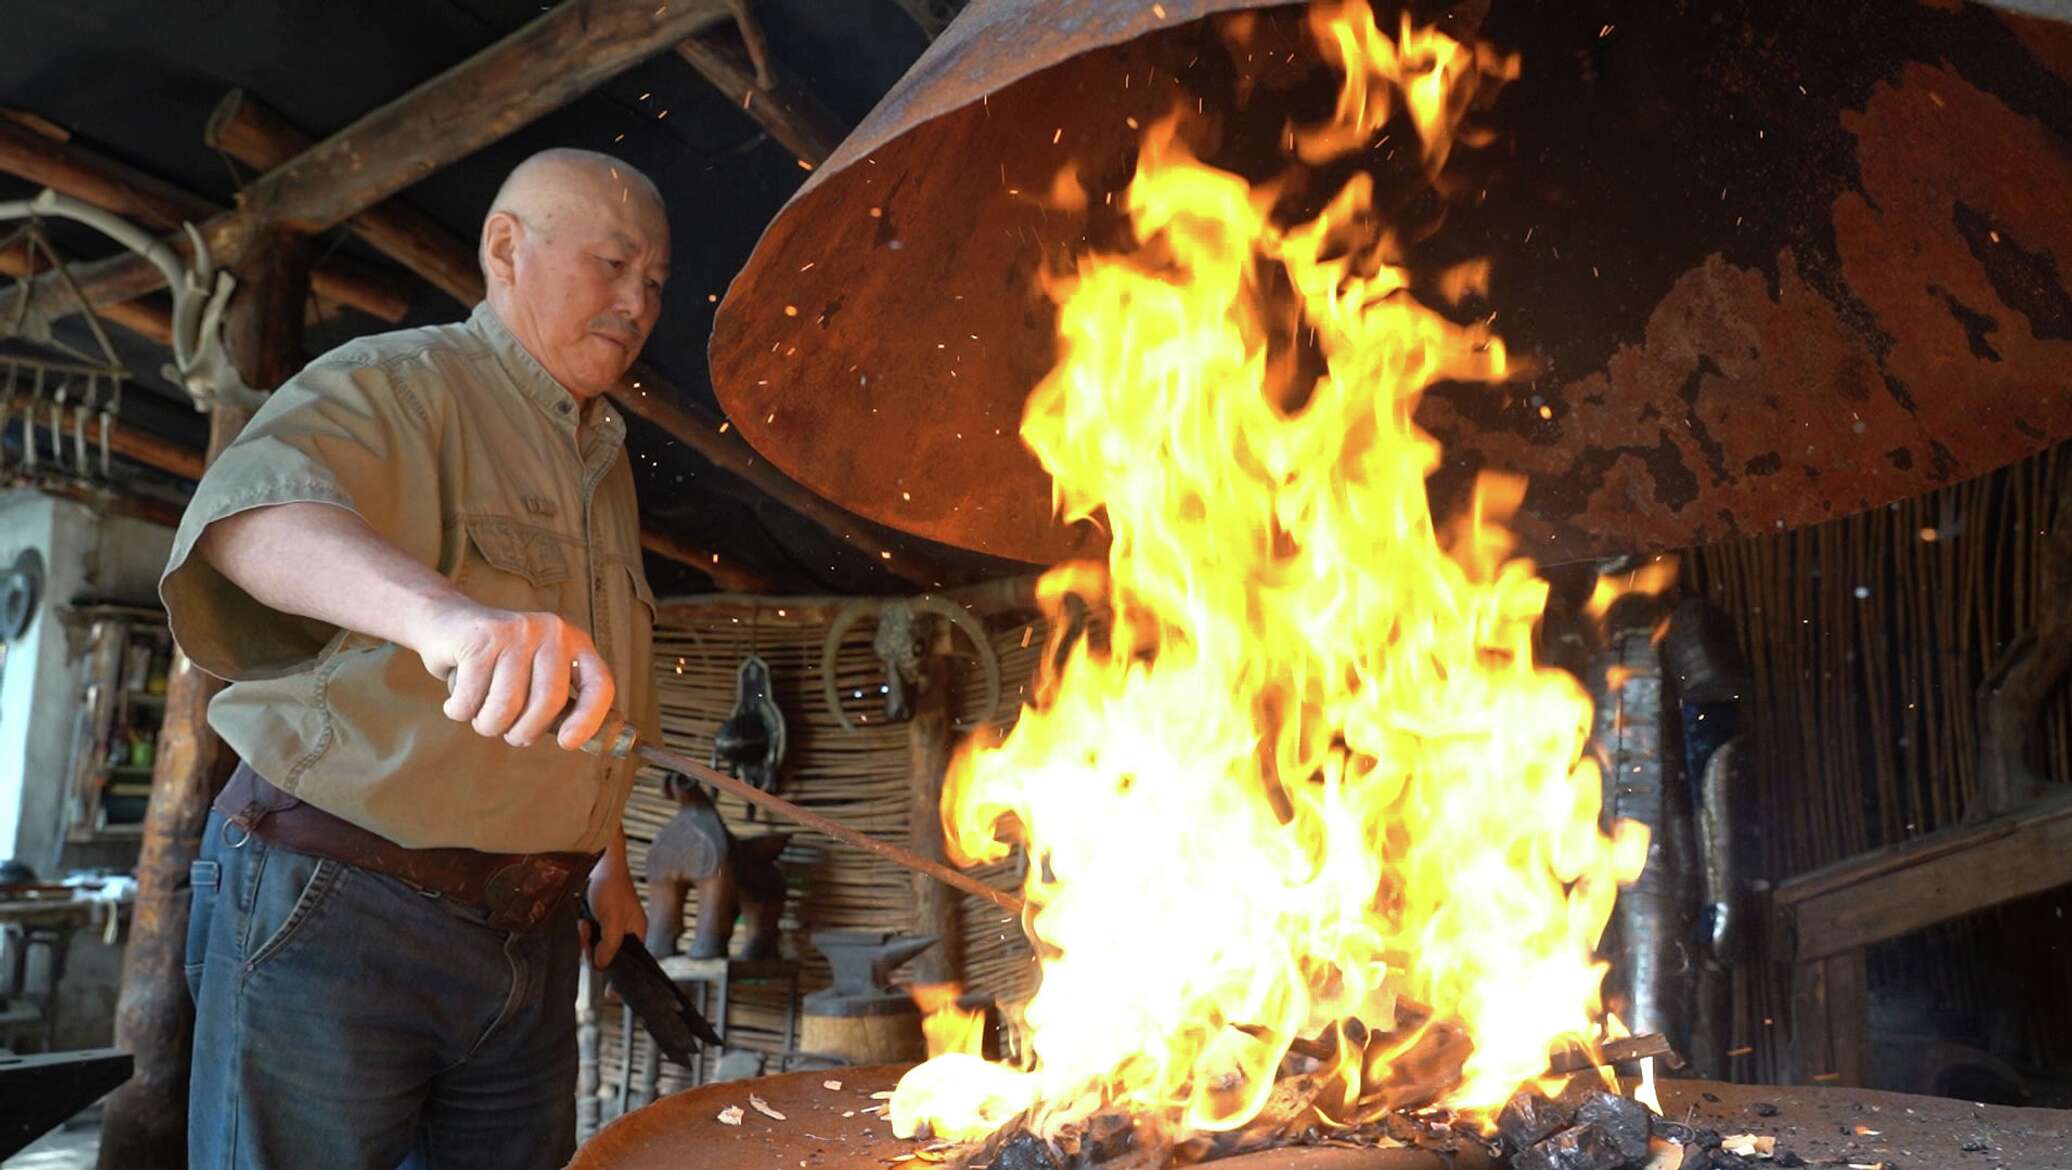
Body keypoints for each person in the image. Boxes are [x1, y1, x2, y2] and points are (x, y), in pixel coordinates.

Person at [166, 148, 671, 1170]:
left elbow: (586, 700)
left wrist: (604, 862)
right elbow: (247, 522)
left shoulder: (603, 462)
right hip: (342, 905)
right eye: (612, 264)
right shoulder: (401, 381)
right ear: (504, 249)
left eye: (654, 283)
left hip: (529, 936)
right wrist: (447, 620)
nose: (636, 301)